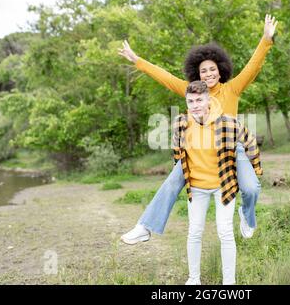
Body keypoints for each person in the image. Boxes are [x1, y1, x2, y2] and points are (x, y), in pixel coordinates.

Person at [118, 15, 277, 244]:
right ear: (197, 74)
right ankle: (145, 227)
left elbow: (253, 66)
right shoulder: (192, 91)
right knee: (172, 182)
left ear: (220, 71)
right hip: (197, 151)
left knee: (251, 188)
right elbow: (165, 77)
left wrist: (265, 39)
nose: (209, 74)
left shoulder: (232, 89)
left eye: (212, 69)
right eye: (204, 71)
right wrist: (137, 60)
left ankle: (247, 216)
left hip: (230, 150)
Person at [174, 81, 262, 285]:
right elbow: (177, 152)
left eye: (199, 100)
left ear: (208, 100)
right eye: (190, 101)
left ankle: (228, 283)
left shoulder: (227, 122)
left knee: (225, 232)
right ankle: (193, 279)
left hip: (224, 185)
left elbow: (250, 142)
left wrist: (253, 171)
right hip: (196, 188)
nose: (195, 105)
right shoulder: (181, 123)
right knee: (194, 231)